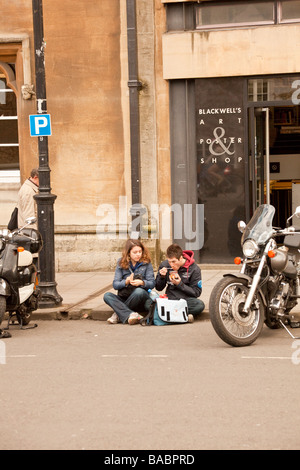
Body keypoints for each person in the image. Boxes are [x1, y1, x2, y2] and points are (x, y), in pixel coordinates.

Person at [104, 239, 155, 324]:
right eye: (135, 252)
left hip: (140, 298)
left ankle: (117, 314)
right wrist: (126, 282)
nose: (138, 254)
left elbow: (152, 283)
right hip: (125, 296)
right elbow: (115, 284)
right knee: (107, 296)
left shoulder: (147, 263)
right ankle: (130, 314)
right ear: (128, 253)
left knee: (139, 292)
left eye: (140, 251)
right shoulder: (121, 263)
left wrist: (142, 283)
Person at [155, 244, 204, 321]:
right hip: (169, 299)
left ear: (181, 258)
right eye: (169, 262)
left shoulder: (194, 269)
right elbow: (158, 287)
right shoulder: (164, 265)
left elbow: (196, 292)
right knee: (149, 303)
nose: (171, 265)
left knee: (199, 305)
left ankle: (169, 315)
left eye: (174, 261)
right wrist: (162, 277)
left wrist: (180, 284)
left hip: (185, 300)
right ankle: (182, 316)